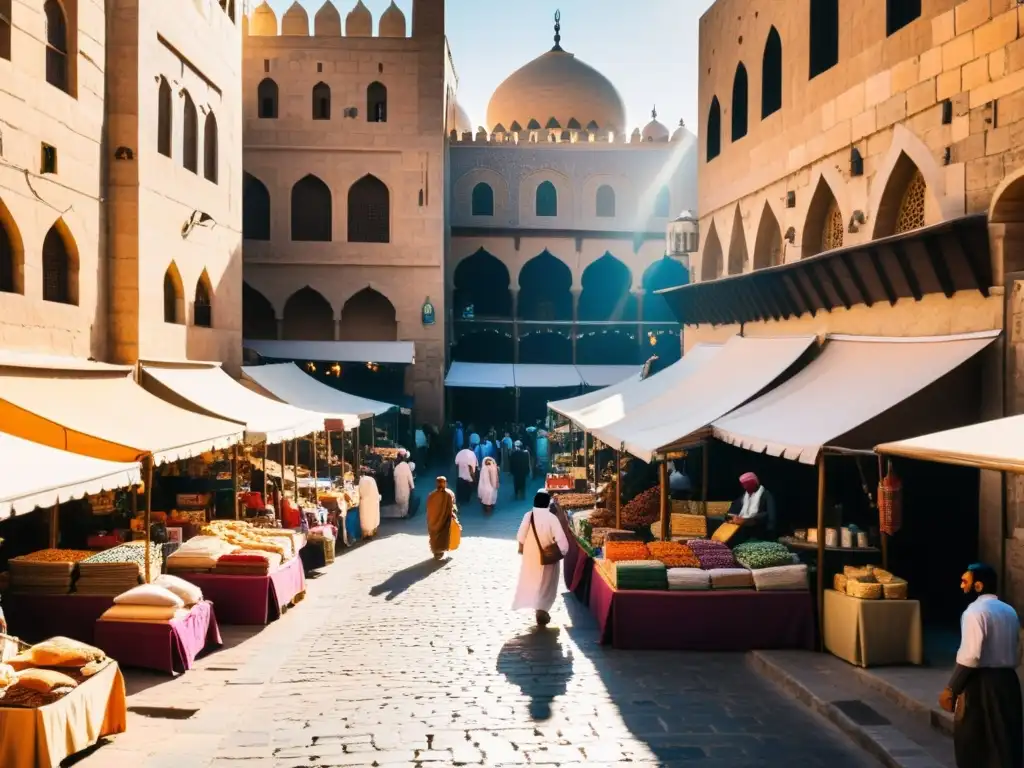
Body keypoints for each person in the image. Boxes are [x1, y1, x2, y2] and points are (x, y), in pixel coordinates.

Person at [939, 563, 1022, 768]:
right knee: (1005, 740)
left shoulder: (974, 612)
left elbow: (971, 655)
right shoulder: (1010, 611)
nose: (961, 586)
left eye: (965, 581)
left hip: (980, 686)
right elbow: (1017, 648)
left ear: (978, 586)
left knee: (975, 743)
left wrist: (952, 688)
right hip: (1008, 682)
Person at [513, 491, 570, 627]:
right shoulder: (551, 518)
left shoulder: (528, 515)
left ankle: (536, 605)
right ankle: (542, 608)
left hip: (531, 556)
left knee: (534, 580)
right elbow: (561, 540)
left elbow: (520, 536)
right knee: (547, 583)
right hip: (548, 557)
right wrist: (563, 550)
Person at [724, 472, 776, 543]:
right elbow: (735, 507)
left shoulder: (766, 495)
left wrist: (749, 520)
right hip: (742, 528)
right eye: (743, 485)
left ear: (754, 483)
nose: (744, 487)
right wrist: (732, 515)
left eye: (747, 485)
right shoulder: (745, 495)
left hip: (758, 528)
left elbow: (769, 515)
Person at [426, 477, 459, 560]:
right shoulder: (449, 494)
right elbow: (453, 506)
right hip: (444, 521)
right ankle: (440, 551)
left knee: (436, 536)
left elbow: (429, 508)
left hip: (433, 521)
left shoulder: (432, 495)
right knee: (443, 536)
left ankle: (436, 551)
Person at [393, 452, 417, 517]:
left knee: (399, 499)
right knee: (405, 501)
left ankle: (401, 513)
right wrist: (412, 486)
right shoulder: (406, 466)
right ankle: (404, 514)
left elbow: (394, 478)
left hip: (398, 487)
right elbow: (410, 477)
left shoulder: (396, 467)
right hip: (405, 487)